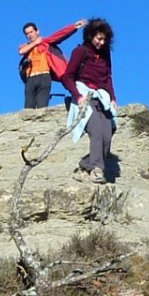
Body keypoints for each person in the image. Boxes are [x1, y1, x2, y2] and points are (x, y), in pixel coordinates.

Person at [61, 18, 116, 184]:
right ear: (91, 35)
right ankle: (97, 170)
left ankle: (84, 166)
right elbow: (67, 76)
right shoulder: (81, 52)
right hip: (84, 95)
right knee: (97, 131)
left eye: (104, 39)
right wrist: (77, 96)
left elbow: (107, 78)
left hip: (102, 97)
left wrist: (113, 98)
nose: (101, 42)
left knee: (107, 135)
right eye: (99, 38)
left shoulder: (105, 54)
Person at [17, 20, 85, 109]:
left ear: (37, 31)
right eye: (27, 34)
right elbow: (21, 51)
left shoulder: (45, 42)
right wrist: (35, 43)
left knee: (42, 106)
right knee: (28, 107)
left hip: (44, 76)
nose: (30, 35)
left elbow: (58, 35)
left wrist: (73, 27)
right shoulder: (25, 46)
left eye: (31, 32)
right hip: (30, 78)